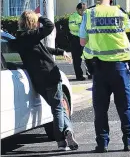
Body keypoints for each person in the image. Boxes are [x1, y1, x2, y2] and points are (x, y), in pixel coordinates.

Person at [79, 0, 130, 153]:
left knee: (100, 108)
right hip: (120, 66)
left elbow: (82, 42)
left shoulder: (89, 14)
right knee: (125, 105)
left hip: (98, 68)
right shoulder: (119, 12)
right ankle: (129, 142)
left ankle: (102, 143)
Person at [10, 10, 79, 151]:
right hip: (50, 75)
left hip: (37, 80)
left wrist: (60, 52)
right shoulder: (31, 35)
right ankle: (61, 141)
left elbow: (42, 49)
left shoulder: (20, 39)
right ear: (32, 22)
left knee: (57, 108)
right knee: (58, 109)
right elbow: (50, 26)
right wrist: (40, 17)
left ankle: (67, 131)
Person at [68, 2, 91, 80]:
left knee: (88, 56)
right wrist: (82, 26)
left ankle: (90, 73)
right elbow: (72, 27)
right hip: (75, 38)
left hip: (86, 38)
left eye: (84, 10)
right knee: (77, 58)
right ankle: (79, 75)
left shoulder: (88, 15)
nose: (82, 12)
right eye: (81, 10)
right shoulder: (73, 16)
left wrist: (81, 26)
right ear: (77, 9)